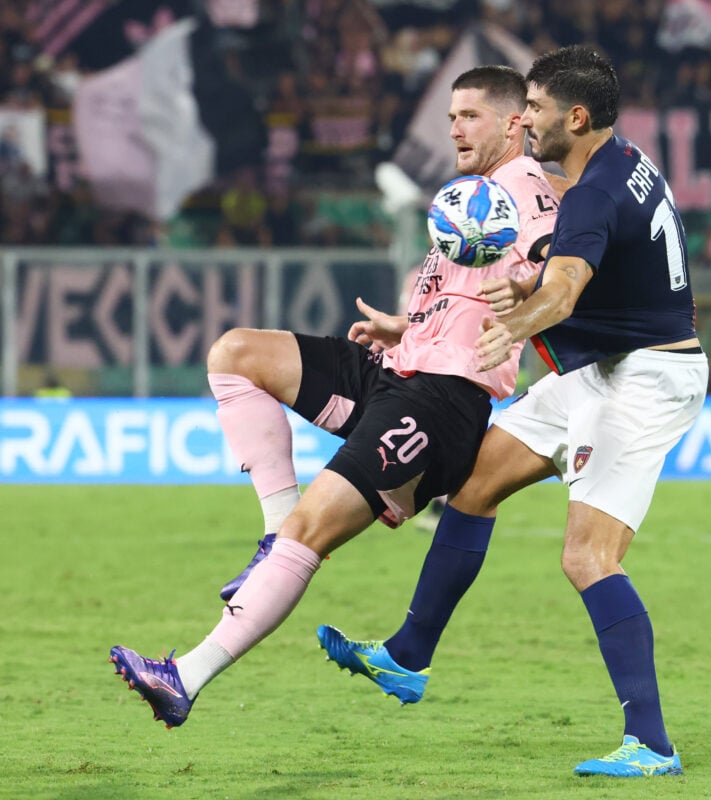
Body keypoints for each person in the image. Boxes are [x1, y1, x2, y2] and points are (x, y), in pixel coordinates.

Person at [108, 65, 563, 729]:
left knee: (312, 532)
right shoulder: (471, 195)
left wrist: (530, 297)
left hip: (441, 404)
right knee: (236, 357)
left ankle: (185, 677)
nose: (454, 128)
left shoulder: (522, 186)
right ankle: (270, 538)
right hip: (399, 368)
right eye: (450, 117)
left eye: (468, 115)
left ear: (513, 122)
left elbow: (557, 272)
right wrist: (405, 327)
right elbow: (467, 303)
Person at [318, 45, 708, 778]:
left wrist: (516, 325)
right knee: (473, 487)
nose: (525, 118)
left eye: (535, 107)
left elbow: (563, 292)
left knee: (588, 558)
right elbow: (571, 280)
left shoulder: (592, 194)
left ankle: (652, 744)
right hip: (605, 371)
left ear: (577, 116)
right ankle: (407, 657)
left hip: (644, 381)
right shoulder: (623, 162)